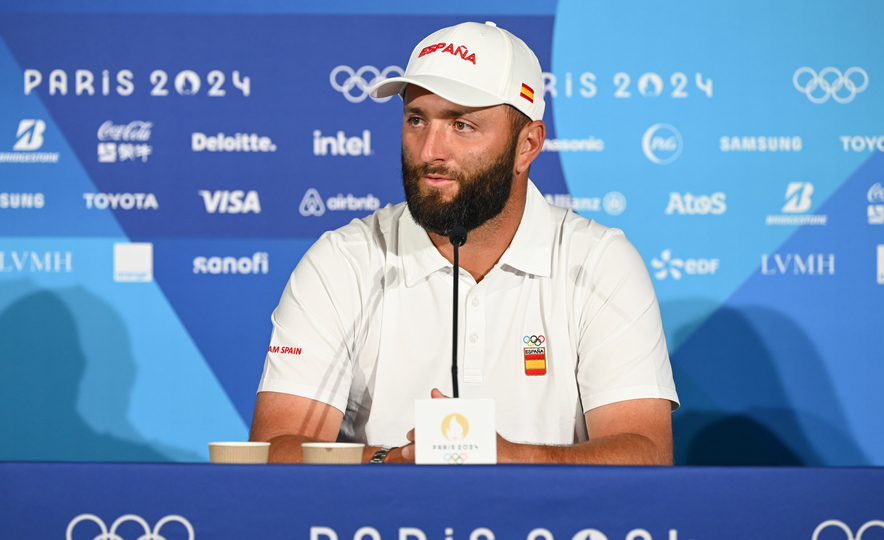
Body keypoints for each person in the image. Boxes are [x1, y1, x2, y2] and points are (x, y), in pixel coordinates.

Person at [249, 21, 678, 464]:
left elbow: (644, 452)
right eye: (417, 120)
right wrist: (395, 462)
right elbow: (273, 449)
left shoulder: (599, 262)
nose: (430, 149)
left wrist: (511, 460)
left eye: (462, 125)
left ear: (527, 145)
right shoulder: (342, 261)